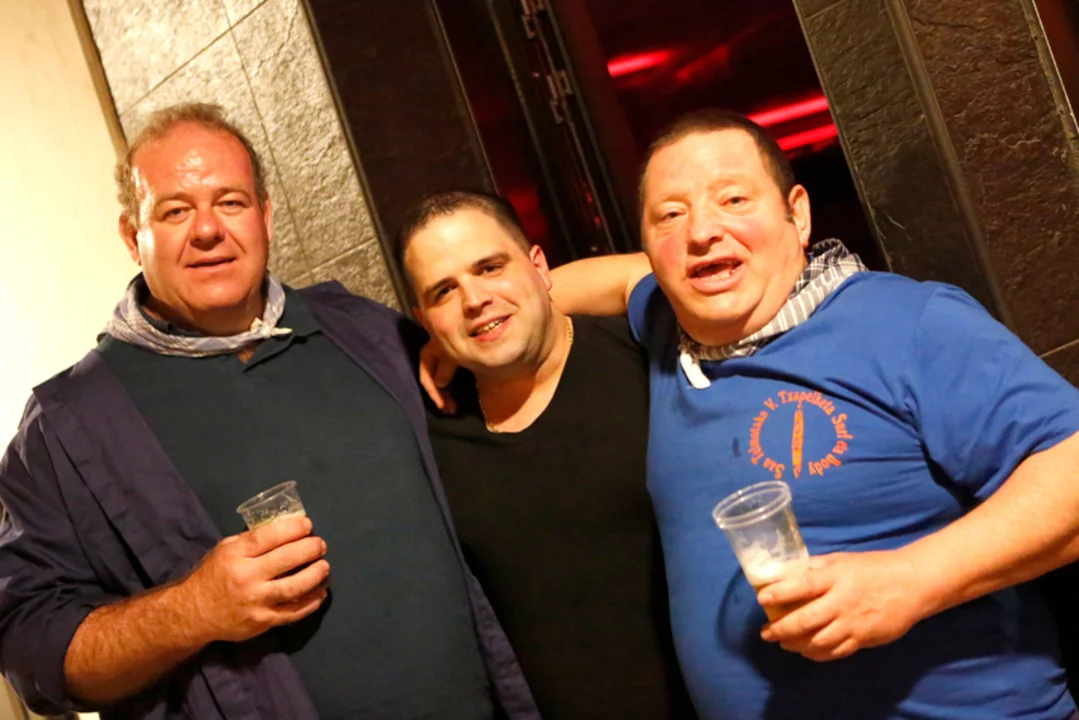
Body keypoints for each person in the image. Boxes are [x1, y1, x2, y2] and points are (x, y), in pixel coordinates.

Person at [0, 103, 539, 720]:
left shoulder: (364, 331)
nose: (208, 230)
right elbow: (29, 646)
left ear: (265, 217)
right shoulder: (65, 426)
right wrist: (193, 609)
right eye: (175, 211)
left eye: (230, 202)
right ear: (132, 237)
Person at [539, 110, 1079, 719]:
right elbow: (608, 282)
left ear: (797, 215)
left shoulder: (907, 323)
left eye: (733, 199)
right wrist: (474, 333)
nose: (702, 232)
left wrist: (913, 578)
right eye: (670, 215)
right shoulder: (671, 322)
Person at [395, 190, 694, 720]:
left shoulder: (646, 354)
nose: (474, 299)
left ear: (539, 265)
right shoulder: (432, 434)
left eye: (490, 267)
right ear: (424, 321)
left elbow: (688, 274)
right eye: (444, 291)